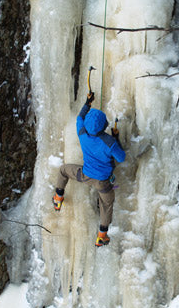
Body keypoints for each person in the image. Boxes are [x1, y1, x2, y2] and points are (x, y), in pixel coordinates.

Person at [52, 92, 126, 247]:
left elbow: (79, 118)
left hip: (84, 175)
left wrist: (87, 102)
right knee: (106, 205)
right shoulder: (109, 142)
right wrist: (116, 137)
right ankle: (102, 236)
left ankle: (58, 198)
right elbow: (121, 158)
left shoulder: (82, 133)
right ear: (104, 125)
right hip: (102, 182)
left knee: (63, 170)